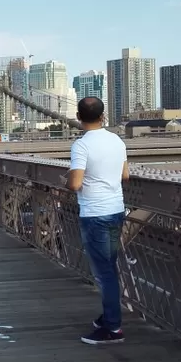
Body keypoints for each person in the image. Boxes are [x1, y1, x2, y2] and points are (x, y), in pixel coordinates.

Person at [66, 96, 129, 344]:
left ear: (78, 117)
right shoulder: (117, 140)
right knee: (109, 268)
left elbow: (76, 183)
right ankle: (108, 317)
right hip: (116, 210)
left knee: (104, 273)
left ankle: (113, 328)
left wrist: (67, 179)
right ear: (103, 116)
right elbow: (125, 175)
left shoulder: (81, 145)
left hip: (95, 214)